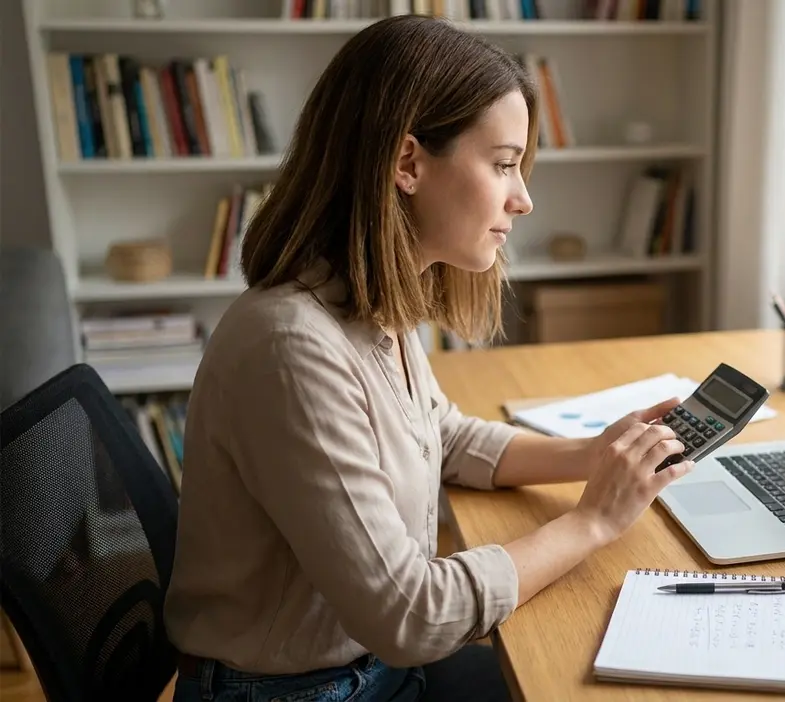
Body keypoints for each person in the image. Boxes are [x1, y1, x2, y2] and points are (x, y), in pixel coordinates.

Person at [163, 15, 694, 702]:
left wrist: (590, 457)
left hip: (360, 669)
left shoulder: (365, 300)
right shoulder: (292, 348)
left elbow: (438, 434)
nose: (522, 198)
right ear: (407, 163)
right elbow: (412, 616)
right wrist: (591, 520)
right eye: (503, 164)